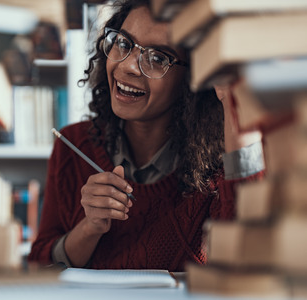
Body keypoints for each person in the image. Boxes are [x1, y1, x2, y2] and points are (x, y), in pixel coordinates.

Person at [28, 0, 264, 271]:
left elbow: (249, 258)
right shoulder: (72, 146)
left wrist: (230, 97)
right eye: (124, 44)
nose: (127, 66)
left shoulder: (222, 165)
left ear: (195, 79)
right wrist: (90, 228)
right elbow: (38, 267)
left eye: (157, 58)